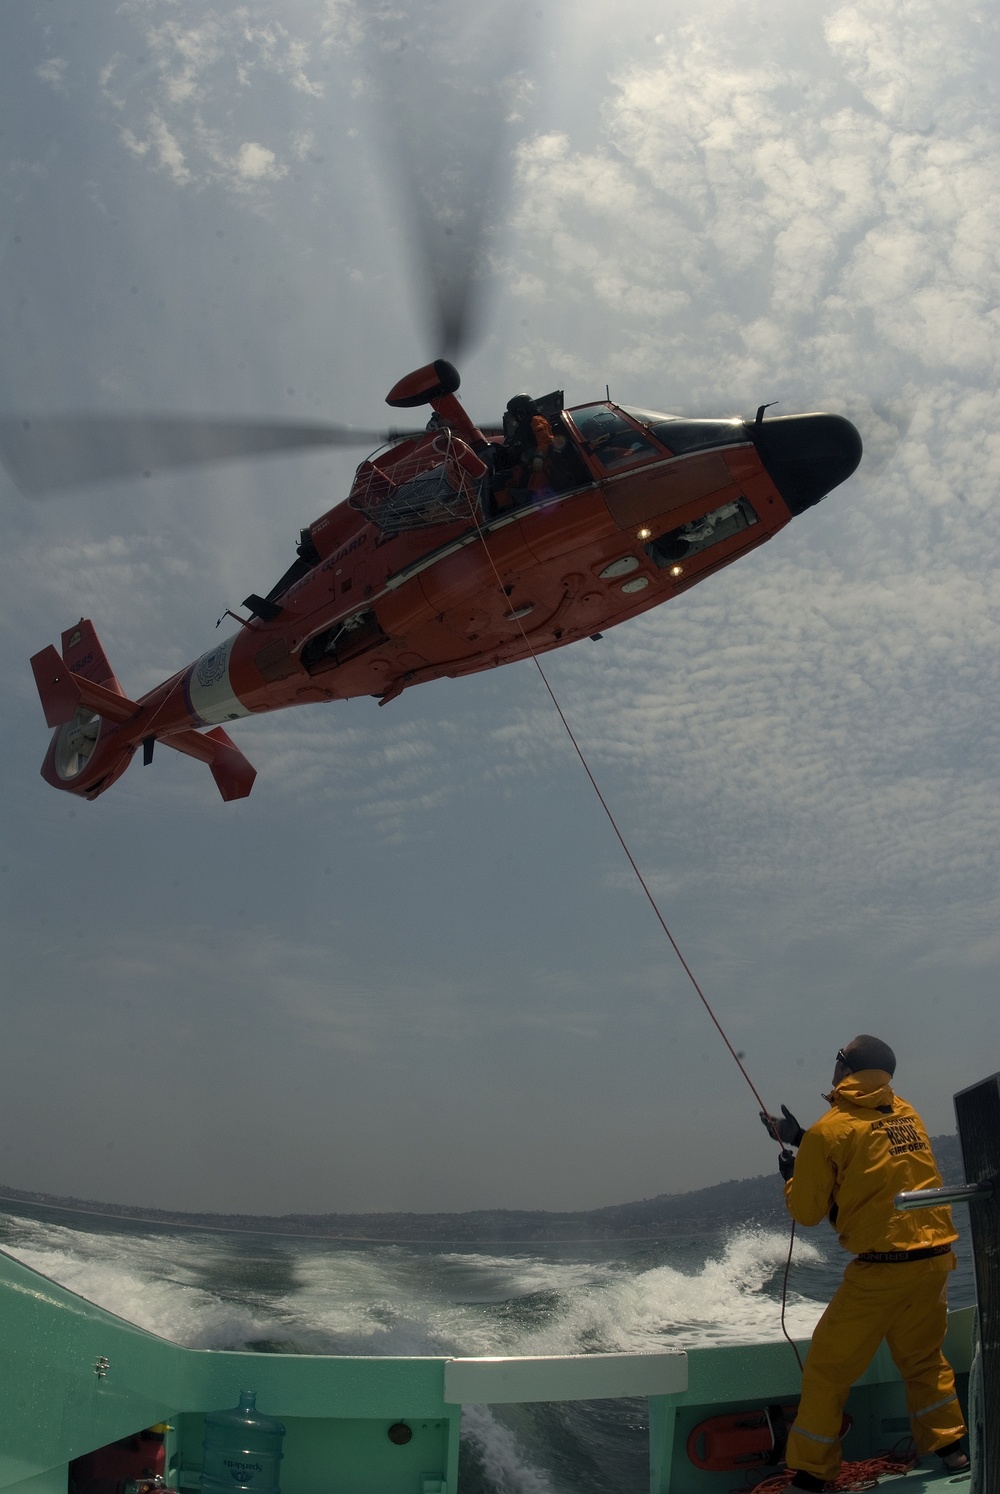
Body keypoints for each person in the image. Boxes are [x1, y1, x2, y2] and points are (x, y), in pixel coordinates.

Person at [761, 1036, 968, 1490]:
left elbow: (808, 1212)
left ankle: (813, 1473)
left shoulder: (827, 1130)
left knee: (827, 1369)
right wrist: (798, 1137)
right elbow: (868, 1148)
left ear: (845, 1069)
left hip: (882, 1270)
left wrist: (793, 1174)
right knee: (923, 1361)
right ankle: (951, 1449)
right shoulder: (907, 1113)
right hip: (935, 1261)